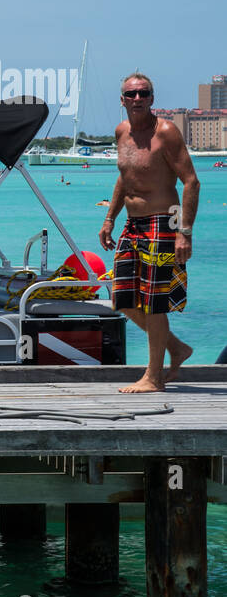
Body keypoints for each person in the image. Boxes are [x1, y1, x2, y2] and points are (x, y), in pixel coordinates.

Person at [99, 72, 199, 393]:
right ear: (122, 100)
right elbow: (125, 177)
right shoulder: (122, 132)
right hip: (132, 224)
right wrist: (110, 219)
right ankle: (177, 349)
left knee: (154, 303)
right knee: (122, 298)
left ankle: (153, 377)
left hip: (163, 222)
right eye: (132, 94)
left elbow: (191, 181)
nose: (138, 99)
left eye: (144, 93)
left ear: (152, 98)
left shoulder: (165, 132)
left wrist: (184, 232)